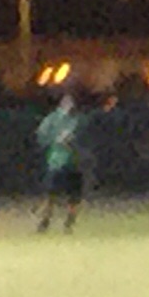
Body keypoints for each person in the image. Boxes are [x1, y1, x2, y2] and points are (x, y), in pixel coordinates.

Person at [35, 92, 89, 232]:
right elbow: (41, 136)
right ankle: (45, 221)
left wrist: (74, 141)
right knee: (51, 193)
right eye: (66, 101)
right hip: (57, 161)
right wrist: (56, 140)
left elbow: (85, 137)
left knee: (74, 195)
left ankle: (69, 223)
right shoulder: (52, 119)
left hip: (74, 161)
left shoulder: (78, 120)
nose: (69, 104)